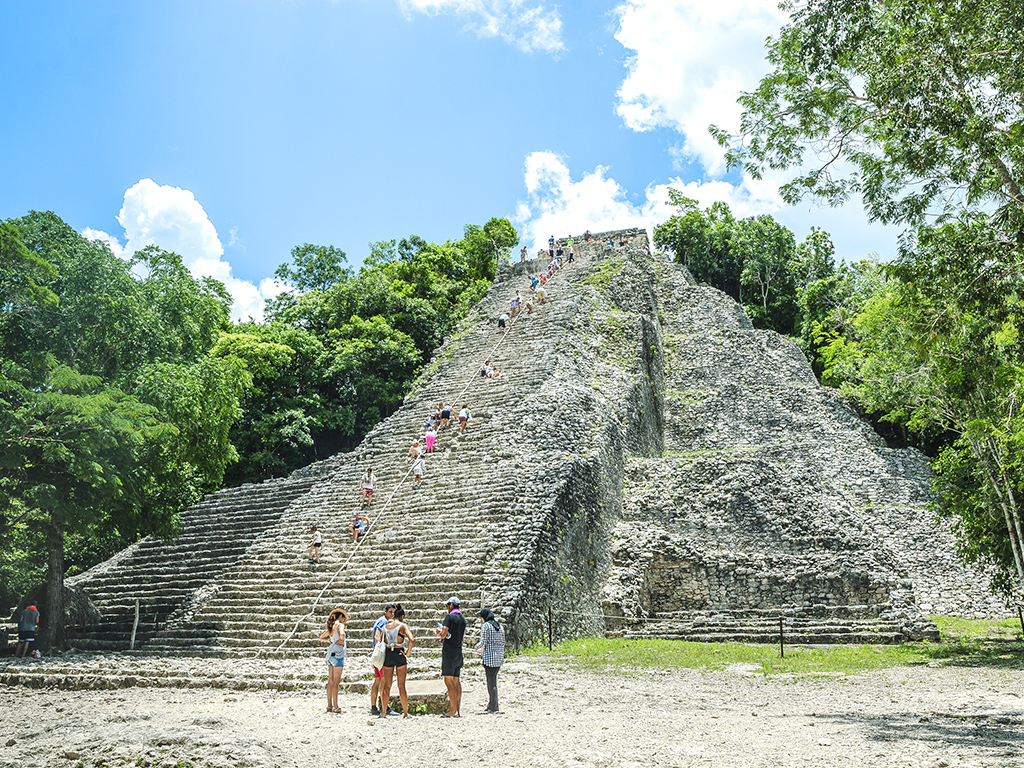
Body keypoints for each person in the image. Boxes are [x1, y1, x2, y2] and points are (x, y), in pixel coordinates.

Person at [432, 596, 466, 717]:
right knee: (456, 680)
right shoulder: (462, 619)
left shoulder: (449, 617)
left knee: (448, 680)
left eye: (447, 605)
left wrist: (438, 632)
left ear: (451, 605)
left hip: (449, 652)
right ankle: (458, 709)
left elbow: (444, 634)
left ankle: (452, 710)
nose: (447, 608)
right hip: (458, 651)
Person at [379, 604, 414, 718]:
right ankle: (405, 712)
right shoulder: (403, 626)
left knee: (386, 685)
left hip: (388, 653)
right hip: (399, 653)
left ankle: (383, 712)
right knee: (401, 685)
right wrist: (407, 653)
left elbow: (382, 640)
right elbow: (411, 639)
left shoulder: (386, 626)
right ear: (402, 616)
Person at [473, 608, 505, 713]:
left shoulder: (486, 626)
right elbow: (503, 641)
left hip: (489, 658)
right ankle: (491, 704)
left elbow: (483, 641)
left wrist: (476, 647)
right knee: (493, 680)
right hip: (499, 657)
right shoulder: (499, 626)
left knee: (491, 683)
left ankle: (494, 705)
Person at [370, 603, 396, 715]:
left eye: (393, 612)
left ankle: (374, 706)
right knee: (383, 681)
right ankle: (384, 706)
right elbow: (377, 636)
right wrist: (380, 650)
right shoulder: (383, 621)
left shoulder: (380, 620)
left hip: (377, 655)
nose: (392, 614)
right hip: (382, 655)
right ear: (385, 611)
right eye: (390, 611)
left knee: (378, 680)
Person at [320, 608, 348, 713]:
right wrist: (340, 641)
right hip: (338, 655)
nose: (344, 619)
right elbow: (342, 635)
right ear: (340, 616)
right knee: (336, 682)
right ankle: (336, 706)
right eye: (344, 617)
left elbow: (321, 637)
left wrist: (330, 641)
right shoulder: (340, 625)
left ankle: (329, 705)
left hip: (330, 655)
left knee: (330, 681)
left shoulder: (331, 626)